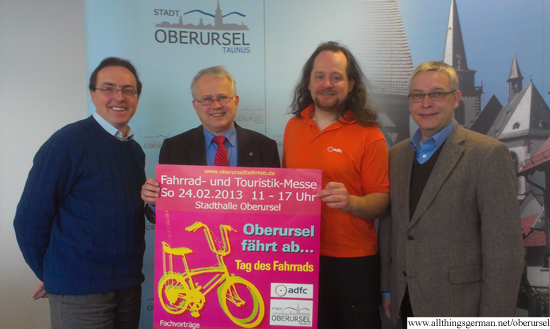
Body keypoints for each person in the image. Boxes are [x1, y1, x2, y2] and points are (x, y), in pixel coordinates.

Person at [378, 61, 523, 324]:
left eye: (437, 93)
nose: (426, 103)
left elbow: (504, 252)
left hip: (461, 307)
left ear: (456, 98)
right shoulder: (396, 156)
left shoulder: (488, 154)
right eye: (418, 95)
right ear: (410, 102)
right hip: (405, 302)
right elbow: (391, 229)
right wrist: (388, 288)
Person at [14, 57, 147, 329]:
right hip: (80, 293)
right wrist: (53, 274)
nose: (119, 97)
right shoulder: (67, 143)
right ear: (93, 94)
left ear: (136, 96)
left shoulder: (134, 151)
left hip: (128, 288)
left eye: (128, 90)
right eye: (108, 88)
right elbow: (29, 219)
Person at [283, 41, 389, 328]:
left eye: (336, 77)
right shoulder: (293, 127)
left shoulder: (370, 134)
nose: (326, 84)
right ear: (308, 82)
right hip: (298, 257)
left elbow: (381, 201)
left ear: (351, 84)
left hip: (352, 263)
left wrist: (352, 202)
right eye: (319, 76)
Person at [141, 66, 280, 214]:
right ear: (196, 106)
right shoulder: (174, 148)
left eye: (223, 97)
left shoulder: (265, 148)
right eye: (207, 99)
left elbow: (276, 208)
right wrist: (155, 202)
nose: (216, 105)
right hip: (195, 234)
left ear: (236, 101)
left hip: (248, 235)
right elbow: (160, 217)